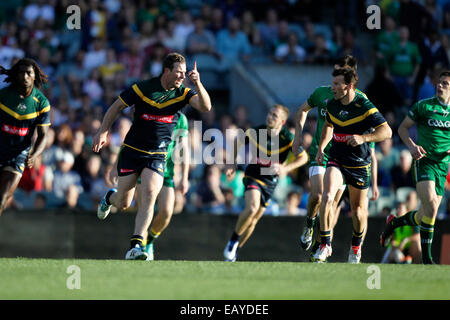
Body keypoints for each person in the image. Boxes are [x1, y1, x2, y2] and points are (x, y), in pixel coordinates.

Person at [92, 53, 211, 260]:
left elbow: (205, 106)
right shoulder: (143, 88)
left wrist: (197, 83)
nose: (182, 77)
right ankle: (110, 197)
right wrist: (103, 131)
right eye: (179, 72)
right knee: (123, 203)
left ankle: (136, 246)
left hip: (158, 153)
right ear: (166, 71)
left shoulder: (183, 93)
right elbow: (116, 106)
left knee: (148, 195)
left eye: (184, 73)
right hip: (132, 150)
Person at [314, 67, 392, 263]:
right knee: (328, 196)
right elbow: (328, 126)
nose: (332, 87)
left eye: (336, 84)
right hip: (337, 157)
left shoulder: (364, 106)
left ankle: (356, 247)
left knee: (358, 210)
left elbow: (387, 132)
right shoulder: (332, 104)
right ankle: (325, 245)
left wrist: (363, 138)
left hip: (359, 163)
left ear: (348, 86)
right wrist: (321, 147)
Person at [292, 55, 362, 253]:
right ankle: (309, 223)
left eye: (340, 71)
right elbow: (302, 110)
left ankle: (322, 245)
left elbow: (375, 128)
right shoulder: (321, 92)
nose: (334, 76)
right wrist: (298, 136)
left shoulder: (360, 100)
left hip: (343, 158)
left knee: (331, 204)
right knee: (318, 195)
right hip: (319, 153)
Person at [380, 70, 450, 264]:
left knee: (427, 213)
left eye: (445, 83)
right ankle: (427, 260)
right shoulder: (424, 106)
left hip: (442, 166)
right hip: (424, 160)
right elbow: (402, 128)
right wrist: (411, 146)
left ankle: (395, 222)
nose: (440, 85)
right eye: (439, 82)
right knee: (431, 205)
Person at [223, 104, 308, 262]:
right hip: (254, 175)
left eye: (275, 116)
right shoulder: (257, 131)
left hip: (270, 182)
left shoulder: (287, 138)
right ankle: (233, 240)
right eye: (270, 113)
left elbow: (304, 158)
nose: (270, 117)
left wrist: (286, 168)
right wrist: (231, 163)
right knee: (252, 208)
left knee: (253, 220)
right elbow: (237, 142)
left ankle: (235, 250)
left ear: (282, 122)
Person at [107, 112, 190, 261]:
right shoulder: (150, 109)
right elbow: (130, 140)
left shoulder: (180, 118)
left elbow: (184, 149)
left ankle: (149, 241)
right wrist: (115, 166)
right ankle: (138, 247)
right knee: (144, 205)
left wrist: (184, 177)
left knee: (166, 212)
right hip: (145, 167)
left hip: (166, 172)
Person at [0, 58, 51, 215]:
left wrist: (34, 154)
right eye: (21, 72)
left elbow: (43, 136)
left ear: (35, 75)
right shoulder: (3, 95)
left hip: (18, 156)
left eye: (29, 73)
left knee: (2, 198)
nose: (25, 76)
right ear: (16, 75)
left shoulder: (42, 103)